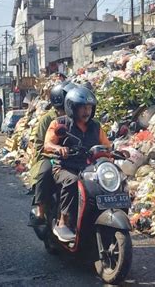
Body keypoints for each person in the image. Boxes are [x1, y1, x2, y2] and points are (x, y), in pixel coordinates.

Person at [44, 86, 111, 242]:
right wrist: (59, 148)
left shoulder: (96, 126)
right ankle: (64, 222)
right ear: (72, 108)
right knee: (72, 181)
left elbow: (107, 145)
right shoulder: (60, 123)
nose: (86, 111)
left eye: (89, 107)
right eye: (82, 108)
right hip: (64, 167)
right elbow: (47, 144)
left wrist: (114, 152)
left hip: (89, 168)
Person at [28, 81, 75, 226]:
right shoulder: (47, 119)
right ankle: (41, 212)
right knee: (45, 173)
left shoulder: (76, 117)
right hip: (49, 156)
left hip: (74, 156)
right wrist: (54, 150)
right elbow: (40, 144)